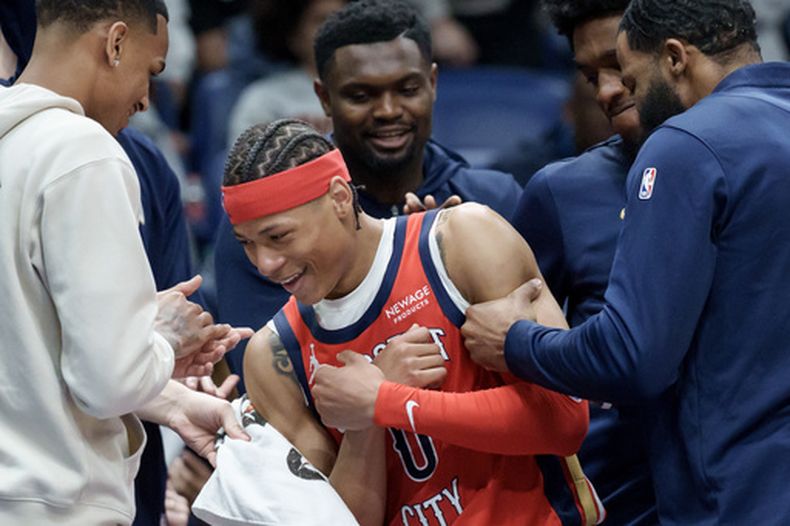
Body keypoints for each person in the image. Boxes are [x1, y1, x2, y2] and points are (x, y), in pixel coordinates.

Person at [461, 0, 790, 523]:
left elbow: (632, 358)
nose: (616, 94)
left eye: (630, 79)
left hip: (736, 498)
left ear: (676, 58)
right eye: (591, 77)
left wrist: (515, 341)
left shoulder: (682, 142)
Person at [197, 118, 603, 526]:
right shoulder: (273, 355)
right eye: (247, 243)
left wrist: (386, 401)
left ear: (339, 198)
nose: (264, 264)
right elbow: (339, 521)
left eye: (279, 237)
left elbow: (565, 420)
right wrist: (363, 425)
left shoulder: (463, 241)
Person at [0, 1, 250, 523]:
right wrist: (161, 338)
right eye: (150, 71)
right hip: (55, 506)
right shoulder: (84, 150)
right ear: (115, 43)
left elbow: (32, 358)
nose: (144, 99)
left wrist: (173, 400)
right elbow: (106, 381)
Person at [214, 0, 523, 386]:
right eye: (361, 96)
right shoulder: (271, 225)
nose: (388, 110)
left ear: (433, 83)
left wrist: (450, 267)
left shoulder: (492, 202)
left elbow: (535, 365)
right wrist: (404, 272)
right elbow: (272, 390)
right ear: (324, 98)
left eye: (407, 89)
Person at [510, 1, 657, 523]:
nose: (606, 90)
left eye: (618, 64)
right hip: (619, 495)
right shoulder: (560, 192)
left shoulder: (754, 161)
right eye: (590, 75)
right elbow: (511, 355)